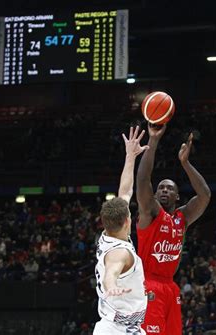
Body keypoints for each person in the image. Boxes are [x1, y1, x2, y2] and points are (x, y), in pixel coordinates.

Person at [136, 124, 211, 335]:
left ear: (177, 196)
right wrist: (153, 141)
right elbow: (142, 181)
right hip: (148, 284)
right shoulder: (150, 213)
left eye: (170, 188)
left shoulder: (182, 217)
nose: (164, 190)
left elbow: (205, 195)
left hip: (170, 286)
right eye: (161, 187)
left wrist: (185, 163)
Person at [93, 126, 150, 334]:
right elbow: (111, 271)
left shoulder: (107, 235)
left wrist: (130, 156)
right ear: (128, 221)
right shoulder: (119, 252)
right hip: (116, 330)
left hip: (127, 326)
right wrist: (112, 286)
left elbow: (125, 190)